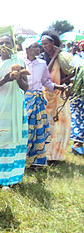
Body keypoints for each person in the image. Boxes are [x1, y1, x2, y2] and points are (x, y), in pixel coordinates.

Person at [0, 35, 28, 189]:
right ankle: (0, 177)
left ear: (13, 45)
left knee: (13, 138)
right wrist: (5, 79)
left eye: (7, 43)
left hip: (15, 106)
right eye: (1, 43)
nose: (4, 45)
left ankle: (13, 177)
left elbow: (26, 87)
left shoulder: (19, 62)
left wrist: (17, 78)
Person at [23, 39, 66, 166]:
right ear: (27, 49)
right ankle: (23, 157)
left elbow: (46, 82)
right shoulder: (21, 63)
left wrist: (59, 87)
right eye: (34, 47)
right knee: (25, 129)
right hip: (24, 99)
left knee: (37, 129)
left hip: (37, 100)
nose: (38, 49)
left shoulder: (42, 64)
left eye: (38, 47)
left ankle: (37, 160)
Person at [38, 31, 74, 159]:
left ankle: (57, 154)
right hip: (47, 95)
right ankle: (47, 153)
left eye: (46, 44)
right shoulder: (42, 57)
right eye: (42, 44)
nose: (44, 47)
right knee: (48, 124)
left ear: (53, 43)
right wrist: (54, 57)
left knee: (61, 124)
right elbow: (45, 73)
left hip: (60, 95)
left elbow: (68, 74)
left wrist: (66, 82)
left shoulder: (63, 58)